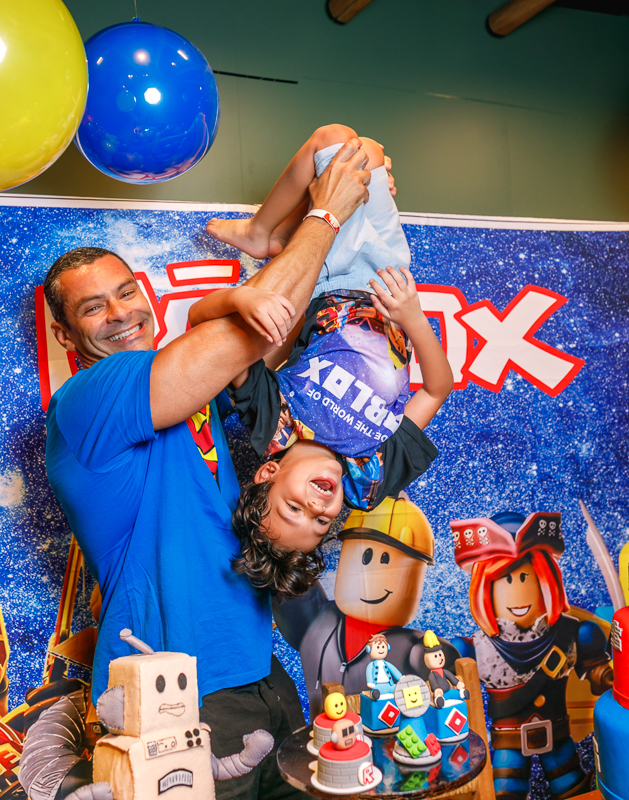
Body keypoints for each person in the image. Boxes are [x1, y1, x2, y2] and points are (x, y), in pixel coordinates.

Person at [43, 134, 371, 800]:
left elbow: (268, 335)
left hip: (256, 671)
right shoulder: (88, 398)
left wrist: (318, 171)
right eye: (93, 307)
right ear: (65, 334)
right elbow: (246, 333)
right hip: (175, 699)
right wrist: (324, 216)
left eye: (126, 292)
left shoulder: (194, 383)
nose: (120, 313)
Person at [196, 124, 453, 598]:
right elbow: (438, 389)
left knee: (336, 140)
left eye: (293, 509)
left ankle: (259, 232)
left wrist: (242, 297)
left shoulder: (272, 423)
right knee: (366, 152)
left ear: (268, 475)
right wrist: (414, 320)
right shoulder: (368, 479)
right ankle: (284, 228)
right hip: (389, 275)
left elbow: (208, 328)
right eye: (320, 523)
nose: (318, 508)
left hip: (324, 277)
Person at [451, 511, 612, 800]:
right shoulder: (476, 649)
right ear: (484, 589)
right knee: (506, 793)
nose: (517, 591)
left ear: (546, 580)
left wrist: (606, 674)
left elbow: (598, 674)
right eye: (506, 579)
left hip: (559, 737)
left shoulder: (572, 634)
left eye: (525, 577)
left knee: (571, 789)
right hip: (507, 745)